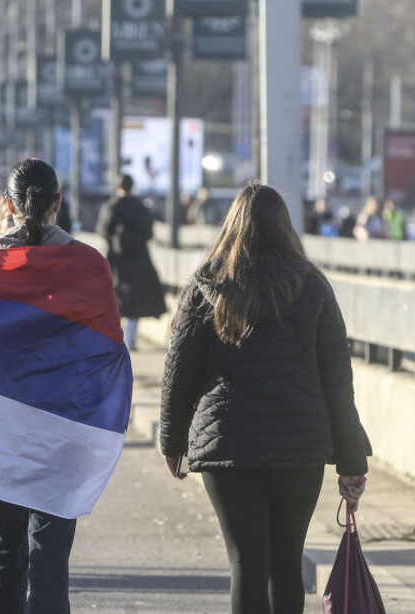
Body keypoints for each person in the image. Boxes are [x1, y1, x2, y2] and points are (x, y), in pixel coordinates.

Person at [159, 181, 372, 614]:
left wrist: (172, 440)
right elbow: (337, 380)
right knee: (286, 563)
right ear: (284, 227)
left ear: (232, 226)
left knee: (246, 564)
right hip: (298, 447)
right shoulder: (312, 287)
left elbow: (178, 370)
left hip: (228, 445)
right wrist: (352, 460)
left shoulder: (206, 284)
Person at [0, 159, 84, 614]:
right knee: (51, 560)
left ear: (8, 204)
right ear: (58, 203)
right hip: (61, 423)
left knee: (3, 555)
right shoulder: (84, 266)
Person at [96, 174, 167, 352]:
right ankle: (130, 339)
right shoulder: (140, 207)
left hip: (117, 259)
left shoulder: (111, 206)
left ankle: (113, 338)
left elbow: (103, 230)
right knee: (135, 299)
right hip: (138, 258)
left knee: (114, 298)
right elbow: (149, 233)